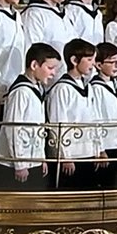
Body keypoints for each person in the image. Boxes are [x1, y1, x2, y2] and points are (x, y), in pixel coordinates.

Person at [0, 43, 60, 185]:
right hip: (15, 165)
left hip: (33, 160)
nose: (53, 73)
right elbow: (13, 128)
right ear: (34, 65)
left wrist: (40, 157)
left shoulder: (38, 88)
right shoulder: (21, 92)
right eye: (50, 68)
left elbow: (39, 128)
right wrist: (20, 164)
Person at [45, 39, 104, 188]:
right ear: (74, 60)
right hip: (71, 157)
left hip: (88, 153)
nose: (93, 64)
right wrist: (64, 156)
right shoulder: (61, 89)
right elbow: (58, 124)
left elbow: (94, 118)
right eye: (89, 60)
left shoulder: (88, 87)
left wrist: (98, 149)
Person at [90, 42, 117, 188]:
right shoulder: (95, 88)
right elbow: (95, 118)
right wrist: (100, 149)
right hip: (105, 144)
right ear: (99, 65)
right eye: (112, 62)